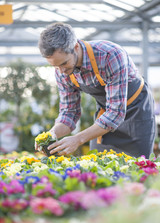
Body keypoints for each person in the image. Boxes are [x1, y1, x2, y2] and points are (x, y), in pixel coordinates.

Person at [36, 22, 155, 158]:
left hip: (136, 111)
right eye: (55, 66)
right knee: (100, 164)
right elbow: (69, 112)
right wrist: (52, 134)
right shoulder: (62, 71)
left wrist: (77, 139)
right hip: (105, 115)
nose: (61, 71)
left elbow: (115, 113)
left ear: (75, 47)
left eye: (64, 63)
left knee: (138, 166)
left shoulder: (110, 55)